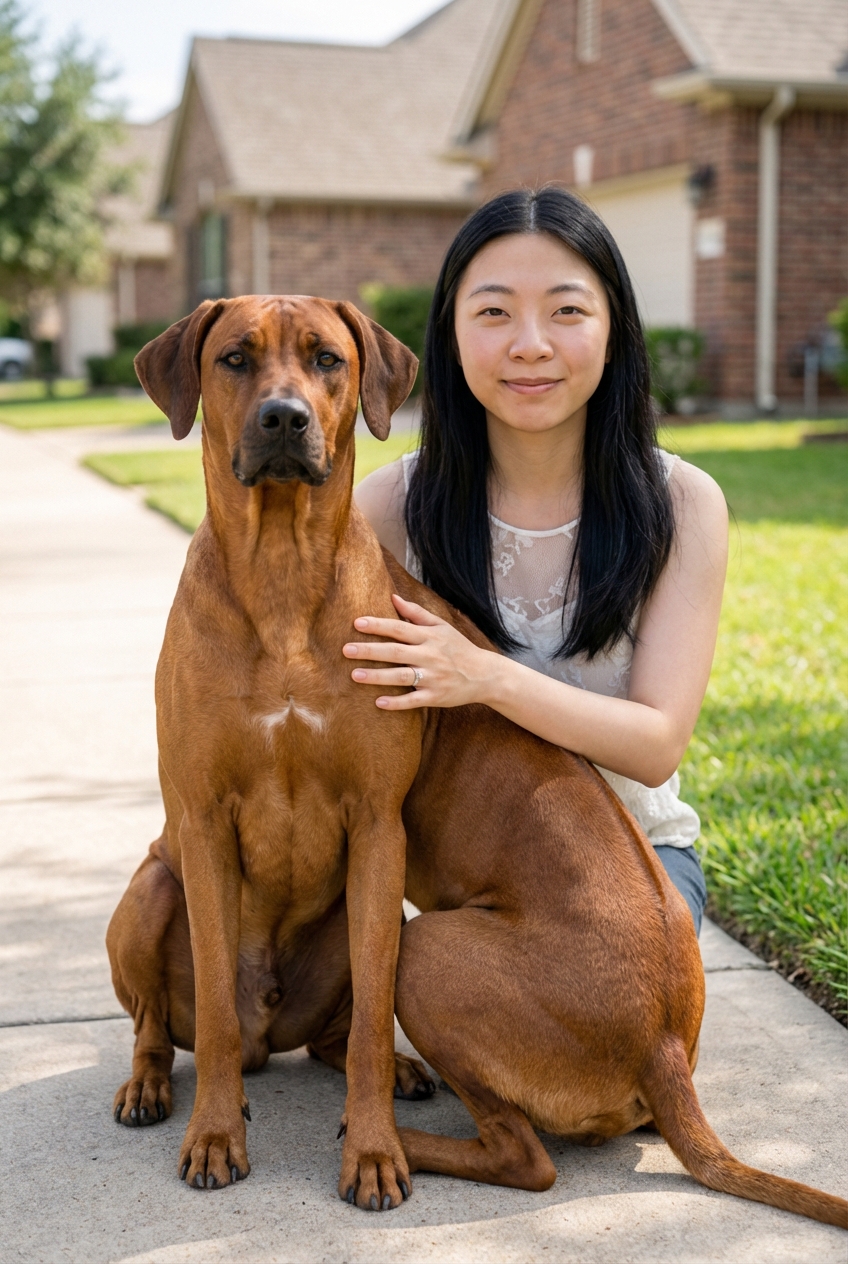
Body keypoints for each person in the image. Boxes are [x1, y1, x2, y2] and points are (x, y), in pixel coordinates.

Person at [345, 187, 728, 935]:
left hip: (633, 853)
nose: (530, 344)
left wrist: (482, 675)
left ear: (614, 329)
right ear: (451, 333)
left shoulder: (682, 503)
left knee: (609, 1002)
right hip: (459, 870)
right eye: (493, 312)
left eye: (567, 310)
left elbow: (656, 745)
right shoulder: (389, 508)